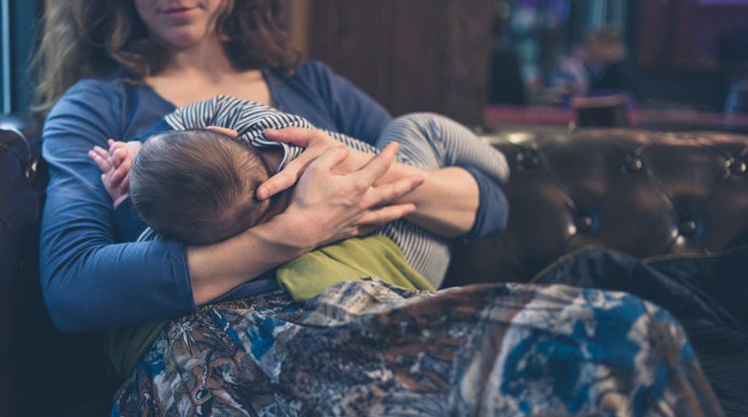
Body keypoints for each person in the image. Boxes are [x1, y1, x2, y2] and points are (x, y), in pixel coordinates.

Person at [35, 0, 748, 417]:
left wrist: (368, 180)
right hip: (217, 362)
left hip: (366, 314)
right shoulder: (101, 109)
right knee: (623, 337)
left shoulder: (311, 90)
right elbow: (72, 287)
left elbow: (489, 204)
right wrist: (300, 226)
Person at [88, 95, 510, 290]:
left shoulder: (211, 234)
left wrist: (124, 201)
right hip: (403, 238)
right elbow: (215, 108)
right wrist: (144, 147)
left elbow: (139, 241)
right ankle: (506, 161)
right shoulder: (281, 138)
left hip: (406, 265)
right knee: (419, 127)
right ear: (223, 132)